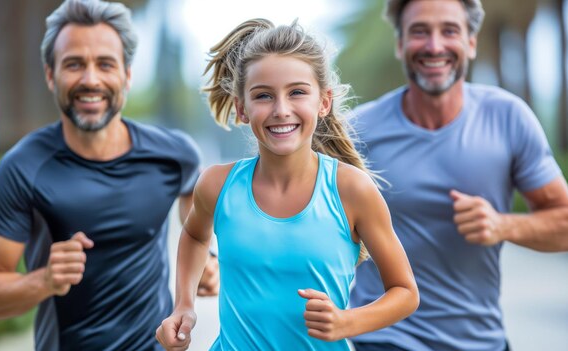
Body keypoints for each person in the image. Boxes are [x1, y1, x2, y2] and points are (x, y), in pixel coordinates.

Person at [155, 18, 419, 351]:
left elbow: (405, 292)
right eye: (263, 96)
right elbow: (193, 235)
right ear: (242, 109)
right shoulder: (217, 185)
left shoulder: (352, 190)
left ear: (323, 102)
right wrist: (184, 306)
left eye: (297, 92)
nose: (281, 110)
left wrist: (347, 322)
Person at [0, 0, 219, 350]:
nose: (91, 79)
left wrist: (206, 265)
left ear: (127, 74)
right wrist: (44, 281)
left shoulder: (176, 155)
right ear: (50, 74)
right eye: (74, 64)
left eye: (105, 64)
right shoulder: (23, 167)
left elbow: (196, 232)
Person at [348, 1, 568, 351]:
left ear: (471, 42)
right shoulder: (358, 130)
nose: (435, 46)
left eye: (449, 30)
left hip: (480, 342)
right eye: (420, 31)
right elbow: (297, 208)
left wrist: (503, 226)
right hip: (380, 340)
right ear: (400, 44)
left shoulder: (509, 117)